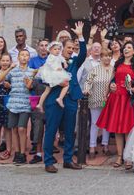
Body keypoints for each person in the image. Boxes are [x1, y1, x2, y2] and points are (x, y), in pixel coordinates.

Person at [43, 22, 88, 173]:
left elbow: (83, 54)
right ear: (61, 48)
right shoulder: (51, 60)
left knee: (70, 131)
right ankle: (48, 161)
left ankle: (68, 159)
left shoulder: (75, 61)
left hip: (71, 99)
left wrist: (80, 36)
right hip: (54, 97)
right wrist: (57, 82)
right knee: (51, 129)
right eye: (68, 48)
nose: (70, 50)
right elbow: (43, 78)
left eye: (72, 48)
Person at [97, 41, 134, 169]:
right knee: (117, 128)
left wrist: (133, 89)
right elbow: (112, 79)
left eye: (129, 47)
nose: (126, 49)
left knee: (127, 128)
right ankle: (119, 155)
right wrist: (110, 88)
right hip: (116, 97)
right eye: (125, 47)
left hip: (128, 99)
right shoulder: (117, 64)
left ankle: (128, 156)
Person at [0, 49, 34, 164]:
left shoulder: (32, 72)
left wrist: (29, 85)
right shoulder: (13, 71)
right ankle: (17, 152)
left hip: (25, 103)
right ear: (18, 57)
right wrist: (9, 68)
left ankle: (23, 153)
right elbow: (0, 79)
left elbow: (32, 87)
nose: (24, 57)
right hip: (13, 103)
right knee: (13, 128)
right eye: (22, 55)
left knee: (22, 128)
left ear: (29, 58)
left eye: (26, 55)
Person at [83, 48, 114, 159]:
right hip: (95, 99)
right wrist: (86, 89)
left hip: (109, 101)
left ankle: (105, 146)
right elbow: (88, 82)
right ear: (101, 57)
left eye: (109, 56)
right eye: (105, 56)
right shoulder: (94, 70)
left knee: (106, 124)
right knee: (95, 123)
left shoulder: (113, 70)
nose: (107, 58)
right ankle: (92, 146)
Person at [28, 38, 49, 164]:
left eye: (46, 45)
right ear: (38, 47)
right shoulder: (32, 61)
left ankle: (48, 150)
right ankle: (37, 151)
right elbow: (29, 77)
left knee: (50, 125)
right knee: (37, 124)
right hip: (36, 93)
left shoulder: (52, 60)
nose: (44, 47)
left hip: (49, 93)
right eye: (41, 45)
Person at [36, 41, 71, 111]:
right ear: (50, 50)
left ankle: (40, 104)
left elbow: (62, 59)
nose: (57, 51)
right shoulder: (51, 57)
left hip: (56, 73)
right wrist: (55, 68)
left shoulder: (59, 56)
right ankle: (60, 98)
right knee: (66, 85)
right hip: (52, 73)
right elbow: (49, 64)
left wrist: (65, 63)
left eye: (58, 49)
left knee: (47, 90)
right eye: (55, 49)